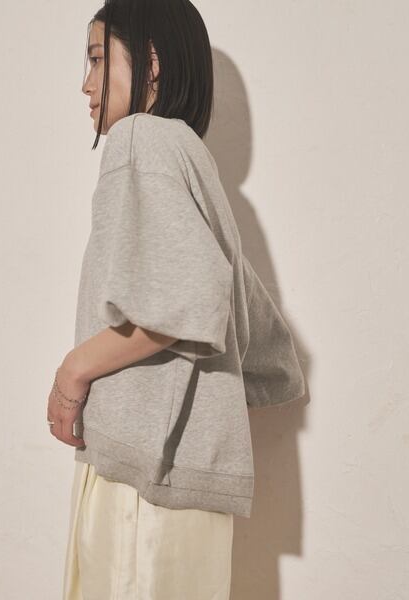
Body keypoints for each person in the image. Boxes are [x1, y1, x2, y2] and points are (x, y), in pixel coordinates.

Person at [48, 1, 306, 598]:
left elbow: (191, 297)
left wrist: (72, 372)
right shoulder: (189, 153)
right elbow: (242, 310)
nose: (85, 83)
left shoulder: (139, 138)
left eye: (97, 59)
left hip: (145, 478)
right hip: (186, 479)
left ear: (153, 61)